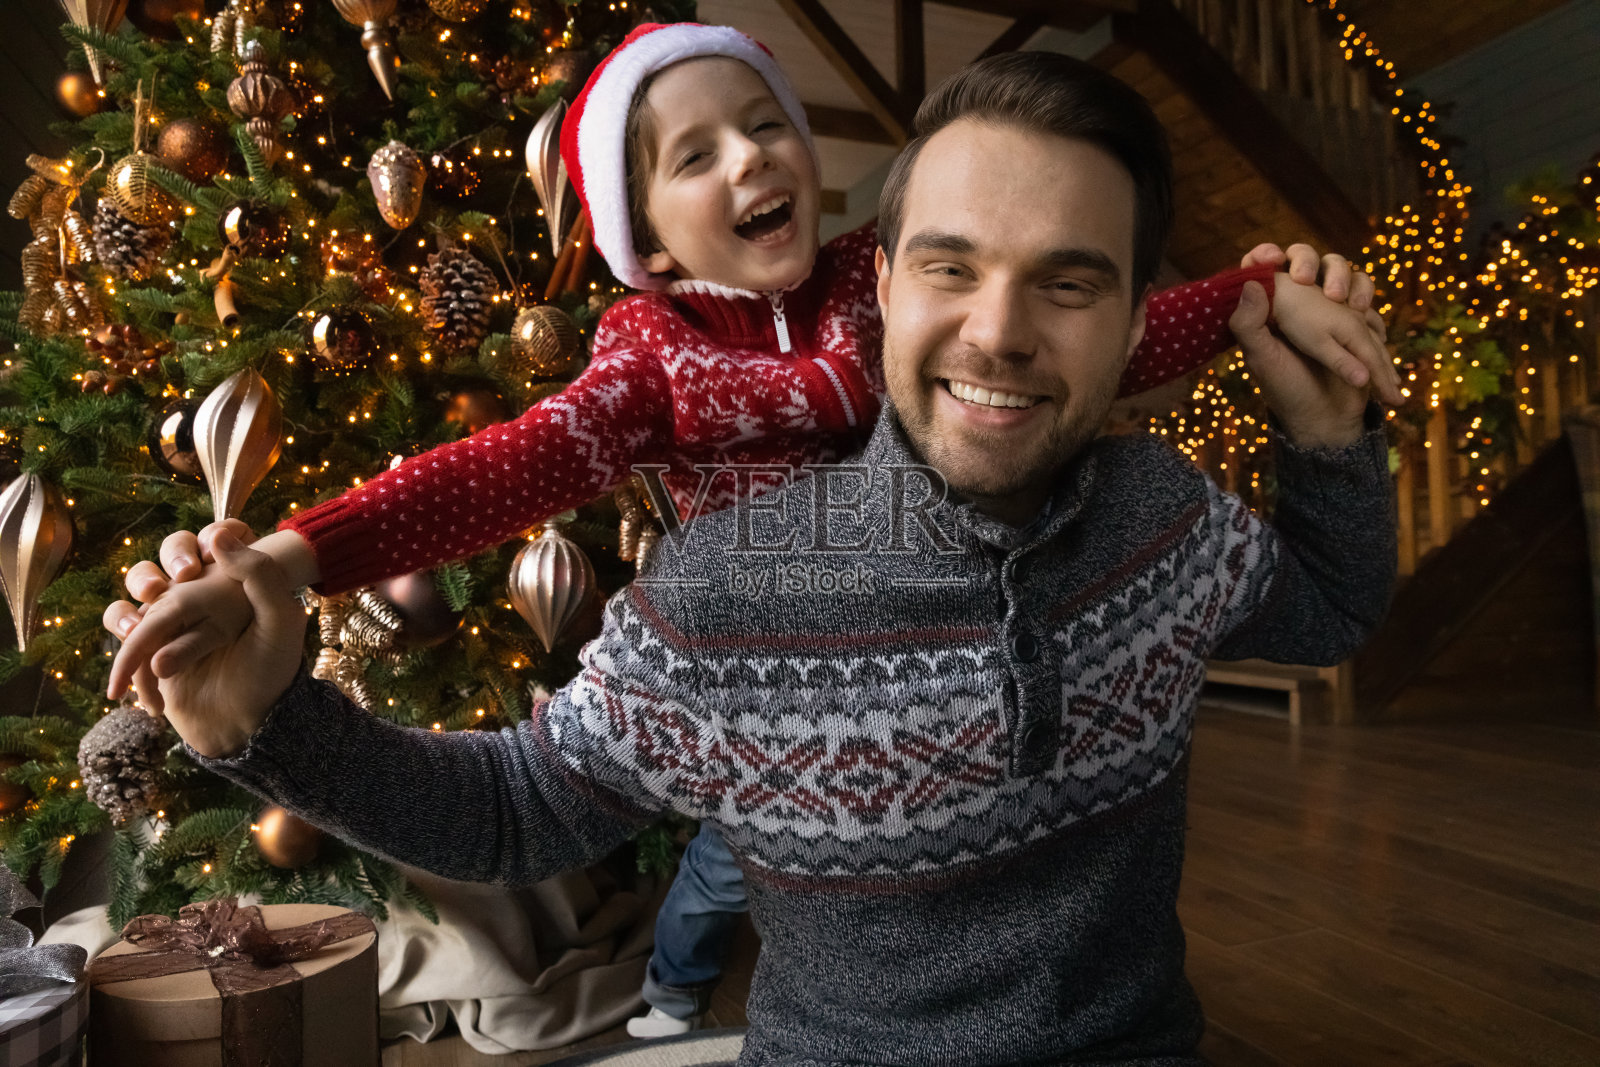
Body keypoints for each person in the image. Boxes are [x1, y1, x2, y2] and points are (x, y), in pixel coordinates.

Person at [106, 47, 1395, 1063]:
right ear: (886, 282)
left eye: (1069, 283)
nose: (1000, 331)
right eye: (951, 266)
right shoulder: (712, 570)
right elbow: (512, 799)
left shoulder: (1165, 515)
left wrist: (1325, 424)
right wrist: (268, 700)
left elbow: (1330, 612)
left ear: (1125, 316)